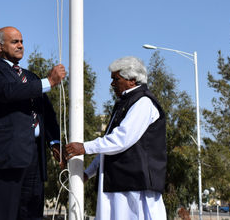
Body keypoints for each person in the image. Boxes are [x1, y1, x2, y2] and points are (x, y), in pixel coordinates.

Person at [0, 26, 67, 220]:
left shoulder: (31, 77)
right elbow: (8, 92)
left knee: (32, 214)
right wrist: (49, 81)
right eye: (15, 41)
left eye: (22, 41)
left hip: (34, 157)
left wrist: (54, 143)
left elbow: (46, 113)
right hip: (5, 159)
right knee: (4, 214)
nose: (20, 46)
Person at [64, 56, 167, 220]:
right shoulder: (124, 103)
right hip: (118, 184)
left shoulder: (143, 102)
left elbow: (121, 140)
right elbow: (108, 146)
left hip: (134, 187)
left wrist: (83, 147)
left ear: (132, 80)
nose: (112, 84)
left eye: (116, 79)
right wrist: (88, 173)